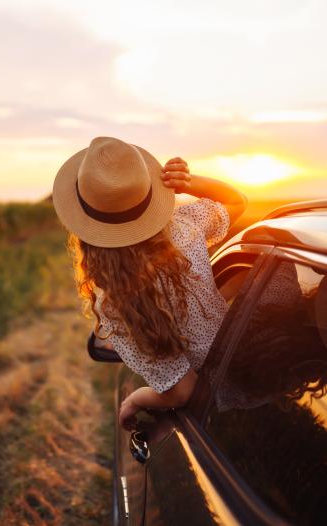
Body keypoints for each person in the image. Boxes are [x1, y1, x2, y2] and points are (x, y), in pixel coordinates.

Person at [52, 136, 247, 430]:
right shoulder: (186, 226)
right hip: (255, 366)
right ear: (147, 194)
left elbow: (183, 391)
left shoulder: (116, 303)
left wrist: (138, 399)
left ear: (86, 229)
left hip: (228, 405)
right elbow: (237, 201)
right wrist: (188, 182)